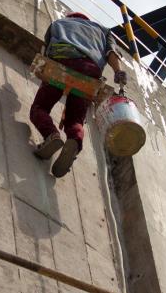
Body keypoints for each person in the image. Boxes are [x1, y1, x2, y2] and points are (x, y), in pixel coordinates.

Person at [30, 12, 126, 177]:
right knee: (75, 120)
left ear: (71, 18)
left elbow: (46, 51)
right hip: (89, 72)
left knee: (40, 108)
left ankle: (51, 135)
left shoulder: (58, 23)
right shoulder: (104, 31)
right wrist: (119, 72)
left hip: (61, 62)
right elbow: (111, 52)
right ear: (87, 21)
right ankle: (74, 141)